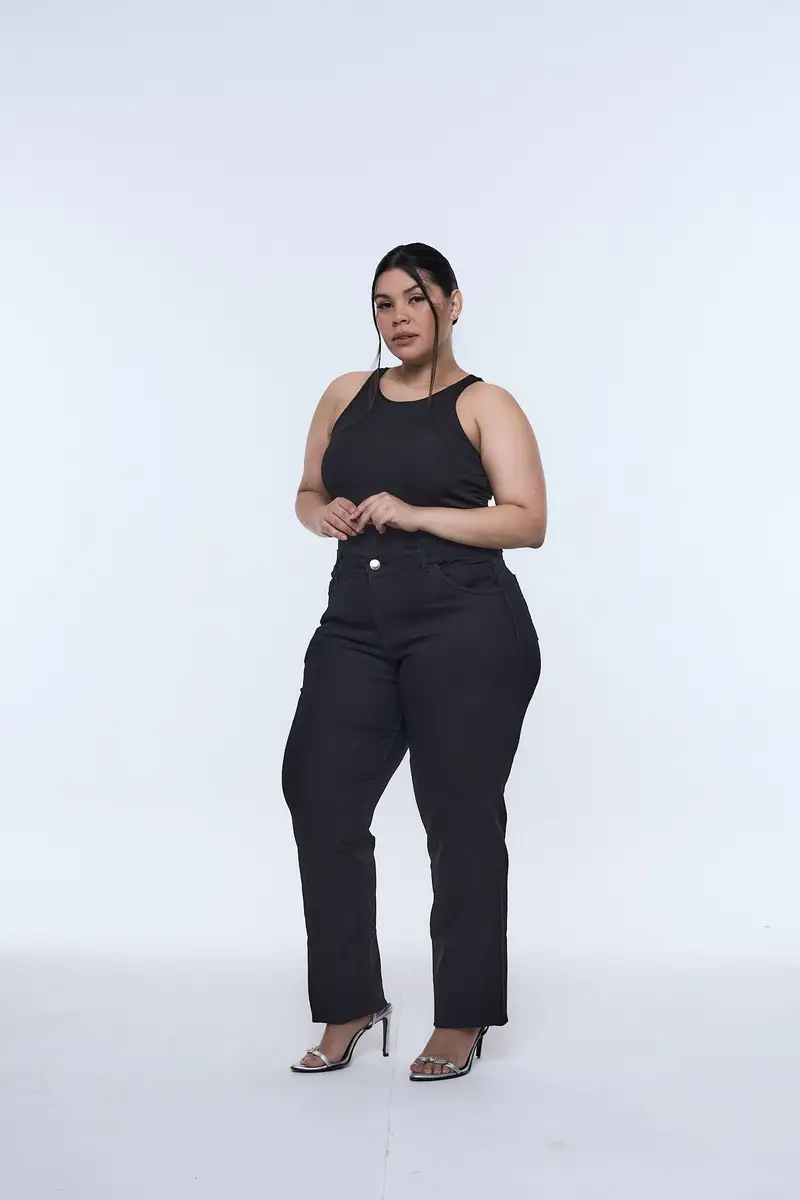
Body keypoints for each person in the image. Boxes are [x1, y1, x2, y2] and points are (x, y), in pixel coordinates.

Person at [282, 242, 546, 1081]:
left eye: (415, 299)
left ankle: (462, 1016)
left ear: (453, 304)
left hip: (465, 624)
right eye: (383, 303)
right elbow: (307, 491)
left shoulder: (485, 403)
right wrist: (324, 514)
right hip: (355, 621)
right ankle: (351, 1002)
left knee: (459, 817)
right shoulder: (344, 394)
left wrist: (419, 513)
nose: (397, 317)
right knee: (317, 791)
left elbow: (527, 520)